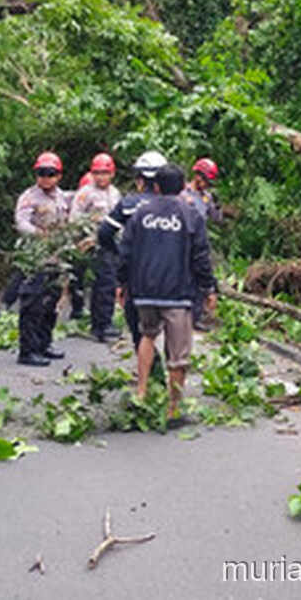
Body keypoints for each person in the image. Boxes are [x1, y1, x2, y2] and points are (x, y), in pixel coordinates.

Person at [117, 162, 216, 418]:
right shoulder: (190, 214)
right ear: (183, 186)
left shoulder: (141, 213)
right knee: (178, 353)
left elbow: (125, 250)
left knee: (147, 335)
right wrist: (208, 288)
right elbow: (200, 256)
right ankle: (173, 408)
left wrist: (122, 282)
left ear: (157, 186)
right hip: (178, 292)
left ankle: (141, 391)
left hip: (145, 289)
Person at [98, 151, 167, 351]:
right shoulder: (176, 206)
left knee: (140, 327)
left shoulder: (129, 204)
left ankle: (149, 368)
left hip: (136, 274)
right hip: (169, 275)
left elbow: (104, 233)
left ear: (139, 180)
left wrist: (118, 253)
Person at [13, 151, 71, 366]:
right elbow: (22, 223)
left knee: (51, 304)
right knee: (32, 305)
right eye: (41, 173)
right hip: (35, 260)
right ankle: (27, 351)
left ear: (58, 175)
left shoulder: (62, 197)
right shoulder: (29, 197)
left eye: (50, 173)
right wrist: (39, 234)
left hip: (56, 259)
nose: (45, 177)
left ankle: (44, 344)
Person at [69, 152, 122, 342]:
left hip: (110, 243)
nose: (101, 177)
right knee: (100, 284)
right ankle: (99, 325)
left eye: (105, 173)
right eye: (97, 173)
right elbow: (74, 219)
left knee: (108, 284)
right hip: (91, 245)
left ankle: (104, 322)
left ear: (112, 174)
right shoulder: (85, 193)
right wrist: (84, 239)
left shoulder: (115, 193)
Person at [180, 157, 223, 328]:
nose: (206, 184)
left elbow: (216, 218)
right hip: (183, 239)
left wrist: (217, 205)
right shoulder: (183, 193)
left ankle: (196, 317)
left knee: (199, 278)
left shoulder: (206, 197)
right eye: (204, 180)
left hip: (199, 240)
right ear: (197, 176)